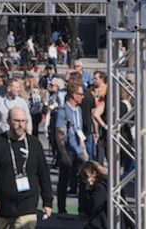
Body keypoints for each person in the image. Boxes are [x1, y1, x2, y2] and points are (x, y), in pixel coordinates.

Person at [0, 108, 52, 229]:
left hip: (27, 205)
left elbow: (43, 174)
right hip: (2, 206)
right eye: (17, 121)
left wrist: (47, 201)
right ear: (9, 121)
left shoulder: (34, 144)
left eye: (23, 121)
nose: (20, 125)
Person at [55, 82, 88, 214]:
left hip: (78, 150)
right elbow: (59, 133)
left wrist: (84, 149)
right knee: (64, 180)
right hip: (68, 150)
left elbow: (79, 131)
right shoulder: (63, 110)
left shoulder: (78, 110)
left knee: (84, 179)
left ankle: (82, 208)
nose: (82, 97)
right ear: (74, 95)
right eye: (80, 94)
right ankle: (62, 208)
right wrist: (63, 153)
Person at [78, 161, 108, 229]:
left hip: (102, 223)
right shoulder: (107, 183)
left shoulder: (100, 188)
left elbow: (91, 208)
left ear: (94, 174)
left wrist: (88, 189)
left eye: (85, 176)